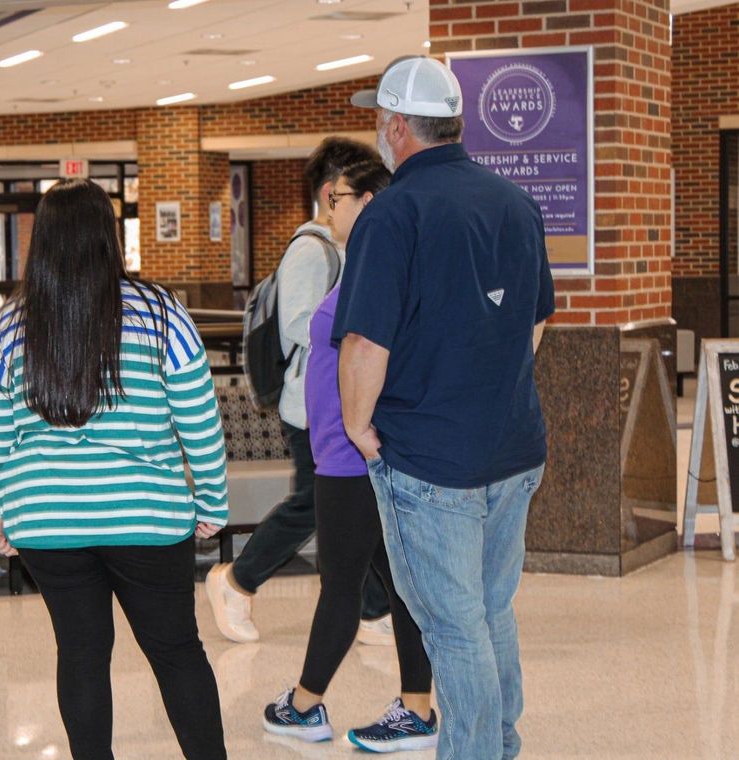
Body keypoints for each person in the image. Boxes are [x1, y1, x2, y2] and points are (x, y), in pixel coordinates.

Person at [336, 57, 555, 760]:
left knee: (454, 625)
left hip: (433, 462)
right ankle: (499, 741)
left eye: (379, 117)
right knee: (491, 612)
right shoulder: (514, 202)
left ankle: (476, 751)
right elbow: (535, 320)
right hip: (513, 448)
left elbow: (366, 339)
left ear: (396, 126)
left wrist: (357, 426)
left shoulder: (393, 212)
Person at [0, 179, 229, 760]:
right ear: (108, 237)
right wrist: (212, 503)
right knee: (176, 651)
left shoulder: (8, 327)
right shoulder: (160, 314)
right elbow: (199, 419)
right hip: (146, 513)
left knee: (82, 653)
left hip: (45, 520)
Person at [262, 156, 438, 752]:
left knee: (340, 585)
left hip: (351, 454)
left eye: (334, 197)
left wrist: (361, 435)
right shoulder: (365, 263)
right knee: (396, 585)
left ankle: (305, 704)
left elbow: (371, 351)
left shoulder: (376, 266)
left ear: (366, 201)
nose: (326, 208)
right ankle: (416, 707)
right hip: (348, 451)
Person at [206, 136, 391, 644]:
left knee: (359, 503)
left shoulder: (346, 245)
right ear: (333, 194)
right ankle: (237, 581)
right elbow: (299, 327)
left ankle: (375, 609)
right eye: (360, 191)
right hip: (313, 408)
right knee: (316, 503)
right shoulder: (311, 249)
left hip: (338, 401)